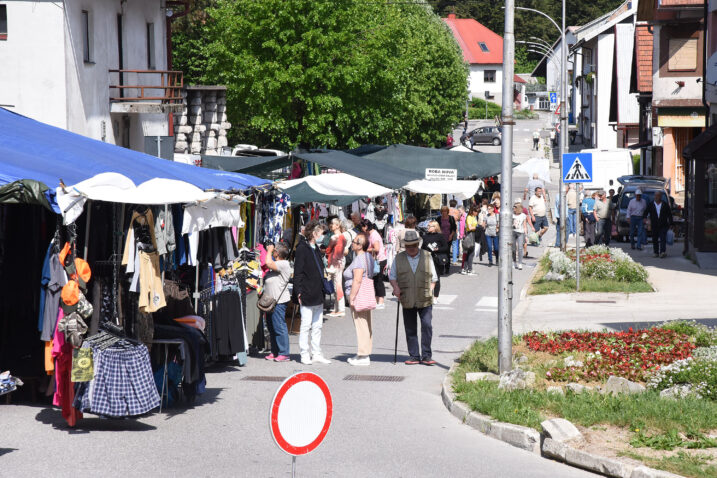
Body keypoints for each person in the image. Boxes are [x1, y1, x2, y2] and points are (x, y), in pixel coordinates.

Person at [389, 230, 438, 365]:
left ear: (418, 244)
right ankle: (414, 356)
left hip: (425, 297)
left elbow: (434, 278)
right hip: (407, 297)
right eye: (408, 246)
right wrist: (396, 288)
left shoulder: (427, 256)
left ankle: (426, 355)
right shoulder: (399, 258)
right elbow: (392, 276)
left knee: (427, 326)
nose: (411, 249)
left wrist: (431, 290)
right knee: (410, 328)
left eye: (413, 246)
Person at [293, 220, 331, 365]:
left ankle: (316, 352)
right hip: (307, 292)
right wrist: (298, 291)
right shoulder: (302, 248)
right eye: (321, 233)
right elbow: (298, 272)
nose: (322, 236)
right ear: (314, 233)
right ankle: (304, 353)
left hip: (318, 291)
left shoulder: (315, 248)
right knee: (306, 325)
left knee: (317, 325)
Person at [343, 233, 375, 366]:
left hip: (359, 293)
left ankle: (363, 355)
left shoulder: (360, 259)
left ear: (360, 245)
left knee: (360, 323)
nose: (352, 244)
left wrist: (352, 297)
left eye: (354, 242)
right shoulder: (368, 257)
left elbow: (357, 279)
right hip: (365, 293)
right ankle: (364, 352)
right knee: (366, 323)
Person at [263, 243, 292, 362]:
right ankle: (275, 351)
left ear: (278, 253)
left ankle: (284, 353)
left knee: (279, 326)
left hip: (278, 301)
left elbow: (268, 263)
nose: (273, 252)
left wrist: (269, 250)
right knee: (271, 326)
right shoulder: (278, 264)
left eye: (274, 250)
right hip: (270, 300)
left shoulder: (284, 263)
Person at [360, 219, 387, 309]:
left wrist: (364, 249)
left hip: (379, 260)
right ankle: (376, 301)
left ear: (366, 227)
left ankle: (381, 301)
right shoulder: (370, 234)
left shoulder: (374, 235)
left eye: (362, 227)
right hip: (375, 260)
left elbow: (377, 249)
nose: (361, 229)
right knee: (375, 281)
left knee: (379, 281)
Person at [421, 220, 449, 297]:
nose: (428, 227)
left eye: (430, 226)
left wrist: (438, 249)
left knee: (436, 278)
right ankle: (427, 294)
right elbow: (422, 248)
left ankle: (435, 297)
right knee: (426, 278)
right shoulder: (425, 236)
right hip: (427, 259)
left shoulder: (440, 236)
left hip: (436, 259)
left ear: (435, 227)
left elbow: (446, 247)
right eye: (428, 226)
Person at [325, 218, 347, 317]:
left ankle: (340, 309)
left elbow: (328, 250)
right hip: (340, 261)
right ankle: (337, 308)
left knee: (337, 285)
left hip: (335, 262)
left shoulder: (334, 237)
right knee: (337, 284)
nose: (331, 226)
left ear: (337, 225)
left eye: (333, 224)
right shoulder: (342, 237)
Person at [645, 191, 673, 258]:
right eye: (656, 195)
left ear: (661, 196)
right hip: (654, 225)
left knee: (663, 238)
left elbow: (669, 215)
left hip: (663, 225)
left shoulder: (665, 204)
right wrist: (646, 221)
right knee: (655, 239)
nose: (657, 197)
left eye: (658, 195)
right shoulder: (651, 204)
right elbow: (645, 213)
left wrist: (671, 223)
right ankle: (656, 252)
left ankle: (662, 252)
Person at [437, 206, 457, 274]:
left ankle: (447, 268)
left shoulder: (451, 218)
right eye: (443, 211)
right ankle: (441, 268)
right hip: (440, 238)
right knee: (441, 253)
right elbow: (436, 228)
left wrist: (451, 235)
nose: (444, 212)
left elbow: (454, 228)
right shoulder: (438, 218)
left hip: (449, 238)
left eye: (445, 211)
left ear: (447, 211)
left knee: (447, 253)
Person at [461, 206, 478, 275]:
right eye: (476, 211)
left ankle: (466, 268)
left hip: (473, 234)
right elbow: (470, 227)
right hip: (470, 234)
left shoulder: (474, 217)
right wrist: (477, 227)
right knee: (470, 252)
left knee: (469, 253)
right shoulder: (469, 217)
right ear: (473, 211)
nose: (477, 213)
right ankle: (468, 269)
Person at [512, 200, 528, 270]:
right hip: (513, 232)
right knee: (513, 248)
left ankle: (520, 263)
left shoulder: (523, 216)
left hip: (520, 232)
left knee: (520, 248)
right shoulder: (512, 215)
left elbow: (524, 226)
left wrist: (526, 235)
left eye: (515, 207)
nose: (513, 209)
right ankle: (514, 262)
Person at [448, 200, 462, 265]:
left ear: (449, 204)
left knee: (447, 245)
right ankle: (454, 260)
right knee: (454, 244)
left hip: (447, 229)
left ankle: (447, 259)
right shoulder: (457, 211)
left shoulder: (447, 210)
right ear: (455, 204)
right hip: (454, 228)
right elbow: (459, 218)